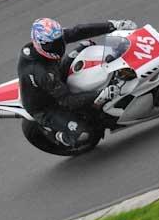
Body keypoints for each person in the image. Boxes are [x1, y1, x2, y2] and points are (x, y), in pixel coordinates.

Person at [18, 18, 137, 147]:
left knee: (85, 46)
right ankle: (59, 136)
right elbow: (66, 100)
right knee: (84, 135)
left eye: (58, 42)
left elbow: (77, 31)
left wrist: (113, 25)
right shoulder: (40, 72)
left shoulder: (49, 40)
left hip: (55, 75)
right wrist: (99, 94)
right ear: (39, 44)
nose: (57, 46)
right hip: (46, 106)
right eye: (52, 45)